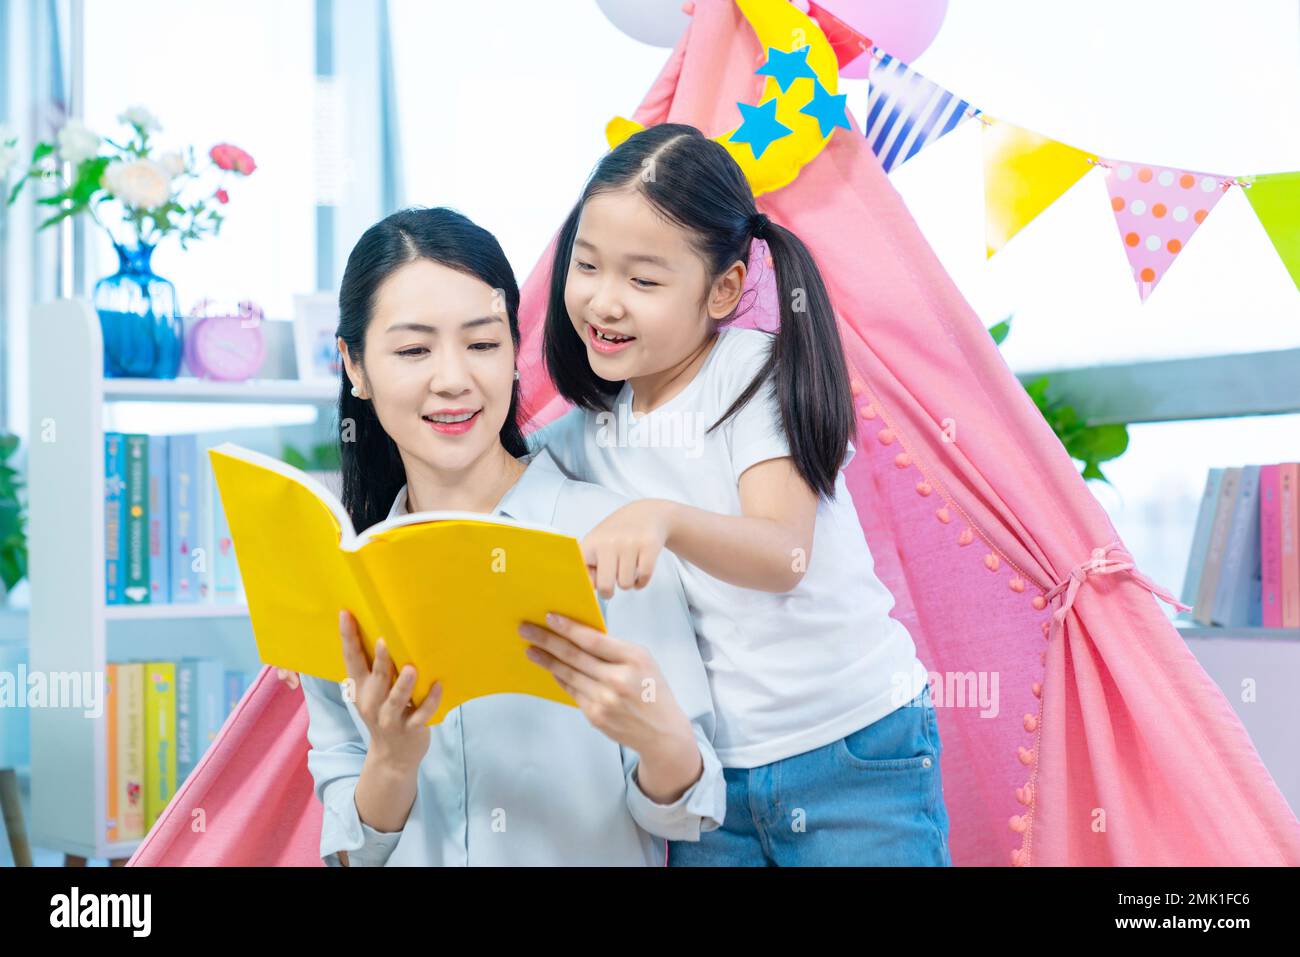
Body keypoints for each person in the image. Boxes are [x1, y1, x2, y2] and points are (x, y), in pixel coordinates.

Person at [530, 123, 951, 865]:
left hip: (854, 749)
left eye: (643, 280)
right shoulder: (589, 434)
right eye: (587, 265)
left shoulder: (749, 372)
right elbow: (498, 485)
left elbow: (783, 551)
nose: (603, 300)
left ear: (723, 289)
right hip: (713, 782)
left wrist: (662, 518)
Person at [288, 206, 724, 866]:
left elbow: (692, 808)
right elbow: (351, 855)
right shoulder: (343, 581)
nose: (454, 378)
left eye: (483, 343)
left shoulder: (610, 538)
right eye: (412, 349)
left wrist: (664, 739)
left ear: (514, 353)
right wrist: (391, 764)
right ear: (354, 365)